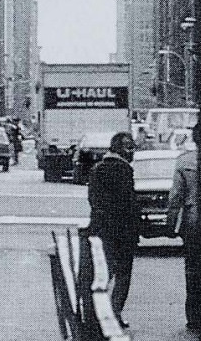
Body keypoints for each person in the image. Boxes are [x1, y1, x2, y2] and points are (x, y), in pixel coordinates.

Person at [87, 131, 140, 329]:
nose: (132, 151)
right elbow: (127, 202)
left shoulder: (97, 168)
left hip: (101, 228)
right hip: (123, 230)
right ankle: (114, 312)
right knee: (123, 273)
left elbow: (93, 199)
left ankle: (96, 314)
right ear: (117, 148)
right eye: (128, 147)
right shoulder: (123, 170)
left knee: (103, 272)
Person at [166, 129, 201, 331]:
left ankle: (194, 316)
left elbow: (175, 197)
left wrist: (171, 224)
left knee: (193, 269)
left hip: (193, 220)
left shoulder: (184, 161)